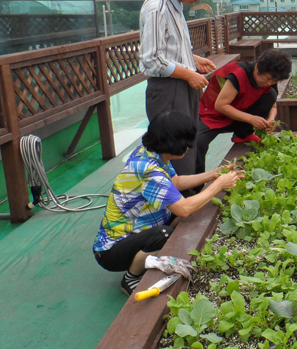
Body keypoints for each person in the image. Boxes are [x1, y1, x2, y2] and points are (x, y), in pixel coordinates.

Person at [93, 111, 244, 296]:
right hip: (112, 251)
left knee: (184, 199)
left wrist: (212, 175)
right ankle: (131, 278)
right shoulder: (150, 171)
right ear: (174, 143)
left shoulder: (151, 153)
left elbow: (176, 182)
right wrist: (218, 185)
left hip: (137, 231)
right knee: (164, 233)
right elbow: (184, 209)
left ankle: (153, 254)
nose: (188, 147)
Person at [139, 0, 220, 177]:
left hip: (181, 85)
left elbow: (167, 48)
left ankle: (192, 198)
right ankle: (180, 206)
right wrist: (188, 74)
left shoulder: (175, 5)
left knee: (189, 141)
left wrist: (192, 59)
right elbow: (152, 59)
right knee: (176, 149)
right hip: (168, 89)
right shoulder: (158, 7)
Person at [195, 49, 292, 175]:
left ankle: (243, 134)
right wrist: (251, 119)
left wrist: (271, 119)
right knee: (197, 142)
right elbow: (220, 105)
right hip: (213, 115)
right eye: (268, 79)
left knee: (271, 94)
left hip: (240, 116)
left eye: (274, 81)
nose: (269, 83)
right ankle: (196, 187)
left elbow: (273, 105)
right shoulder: (239, 73)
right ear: (257, 68)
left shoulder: (270, 79)